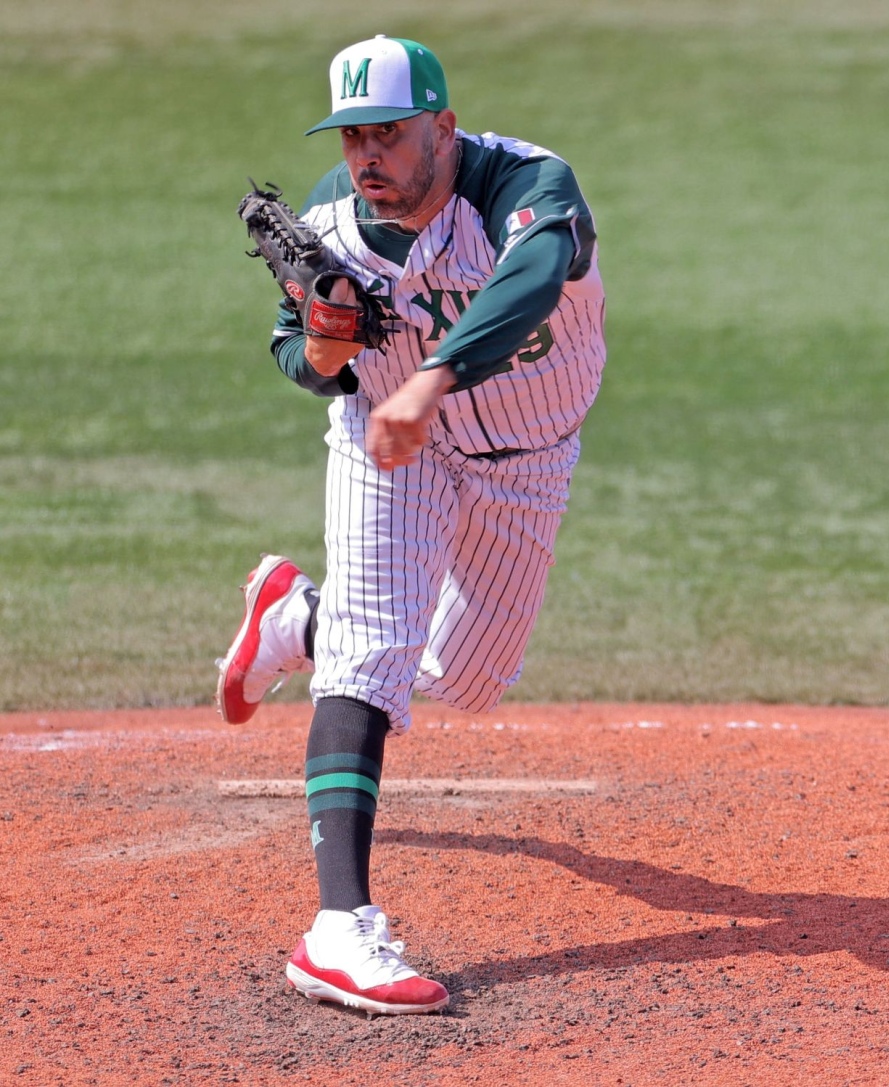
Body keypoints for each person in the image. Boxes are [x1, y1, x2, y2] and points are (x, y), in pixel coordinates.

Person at [215, 35, 605, 1015]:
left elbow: (533, 281)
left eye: (387, 134)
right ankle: (337, 927)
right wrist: (321, 340)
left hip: (525, 454)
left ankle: (299, 618)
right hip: (391, 448)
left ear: (442, 125)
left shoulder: (528, 186)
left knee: (467, 679)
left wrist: (432, 377)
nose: (367, 158)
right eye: (352, 139)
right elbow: (297, 360)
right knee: (372, 661)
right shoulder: (333, 225)